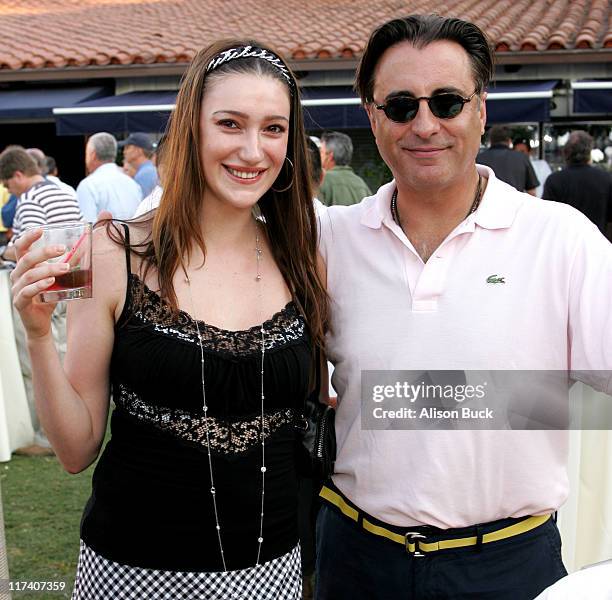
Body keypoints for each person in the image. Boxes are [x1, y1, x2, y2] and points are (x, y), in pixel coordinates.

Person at [10, 39, 327, 599]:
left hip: (274, 569)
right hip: (133, 572)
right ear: (190, 129)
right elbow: (76, 450)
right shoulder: (108, 253)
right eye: (230, 123)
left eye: (274, 128)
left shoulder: (306, 255)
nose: (253, 150)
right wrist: (38, 335)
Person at [316, 14, 612, 600]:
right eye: (401, 106)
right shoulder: (331, 241)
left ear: (481, 108)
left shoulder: (562, 239)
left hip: (508, 565)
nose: (425, 125)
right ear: (373, 118)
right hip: (355, 559)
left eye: (446, 101)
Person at [0, 146, 83, 455]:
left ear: (19, 175)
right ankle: (65, 428)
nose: (10, 191)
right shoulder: (65, 191)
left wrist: (6, 252)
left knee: (36, 360)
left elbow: (30, 244)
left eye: (9, 185)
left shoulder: (31, 199)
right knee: (62, 355)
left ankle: (46, 435)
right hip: (71, 278)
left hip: (43, 286)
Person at [543, 130, 612, 235]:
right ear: (589, 152)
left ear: (566, 153)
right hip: (598, 243)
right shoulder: (607, 179)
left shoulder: (554, 180)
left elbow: (547, 219)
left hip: (564, 244)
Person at [76, 132, 142, 222]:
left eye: (86, 153)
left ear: (93, 155)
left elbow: (88, 229)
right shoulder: (132, 183)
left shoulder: (88, 185)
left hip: (105, 235)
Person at [478, 124, 539, 194]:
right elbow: (531, 192)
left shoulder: (478, 158)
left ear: (491, 141)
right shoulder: (522, 158)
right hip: (516, 203)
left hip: (486, 203)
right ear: (509, 141)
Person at [318, 131, 371, 206]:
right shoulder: (361, 183)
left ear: (330, 156)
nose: (317, 156)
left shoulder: (321, 180)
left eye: (320, 152)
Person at [118, 132, 159, 197]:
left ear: (138, 150)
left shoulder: (144, 174)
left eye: (127, 147)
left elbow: (142, 204)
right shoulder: (148, 170)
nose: (124, 152)